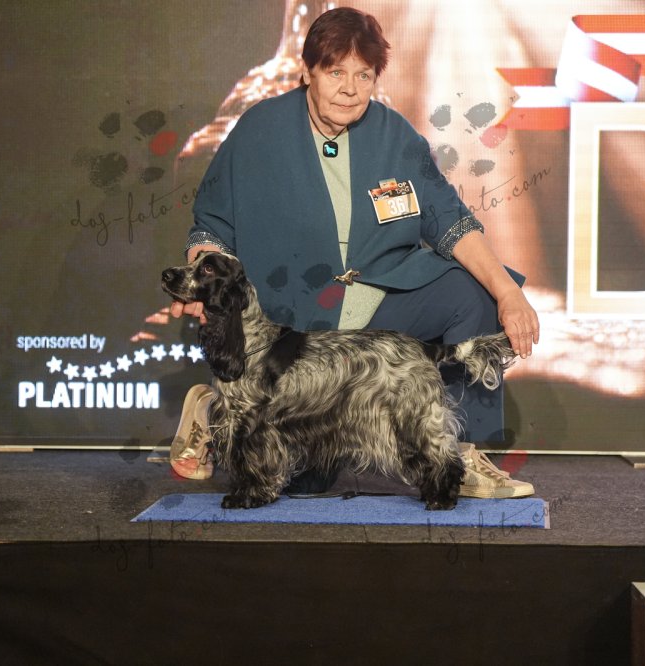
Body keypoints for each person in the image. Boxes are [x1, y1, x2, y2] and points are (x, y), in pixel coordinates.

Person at [169, 6, 539, 498]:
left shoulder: (395, 135)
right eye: (335, 72)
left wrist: (508, 293)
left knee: (472, 292)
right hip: (297, 331)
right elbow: (211, 225)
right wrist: (200, 281)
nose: (350, 88)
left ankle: (459, 452)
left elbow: (451, 222)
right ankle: (213, 407)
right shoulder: (258, 130)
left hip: (380, 299)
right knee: (304, 483)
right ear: (308, 71)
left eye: (363, 75)